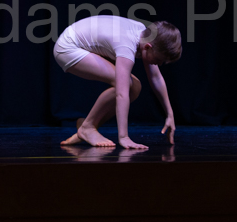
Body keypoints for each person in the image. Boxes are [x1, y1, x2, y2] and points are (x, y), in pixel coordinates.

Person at [54, 16, 181, 150]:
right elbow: (121, 94)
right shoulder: (127, 45)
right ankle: (87, 127)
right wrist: (124, 137)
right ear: (148, 47)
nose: (159, 64)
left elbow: (156, 78)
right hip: (68, 48)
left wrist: (170, 114)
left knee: (135, 87)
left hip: (78, 39)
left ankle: (86, 128)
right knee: (128, 86)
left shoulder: (146, 36)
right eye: (159, 60)